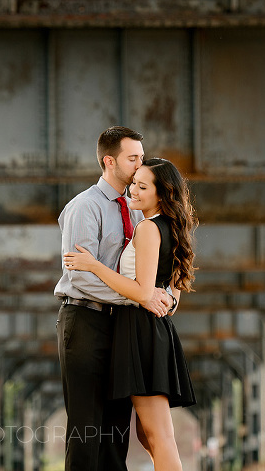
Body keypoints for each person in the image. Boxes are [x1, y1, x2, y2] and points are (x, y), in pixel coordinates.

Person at [64, 157, 197, 471]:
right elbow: (172, 297)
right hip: (155, 329)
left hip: (141, 330)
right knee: (147, 434)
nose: (133, 190)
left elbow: (140, 290)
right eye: (133, 182)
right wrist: (163, 302)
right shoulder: (173, 228)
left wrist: (94, 265)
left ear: (161, 194)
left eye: (142, 186)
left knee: (158, 435)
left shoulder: (149, 228)